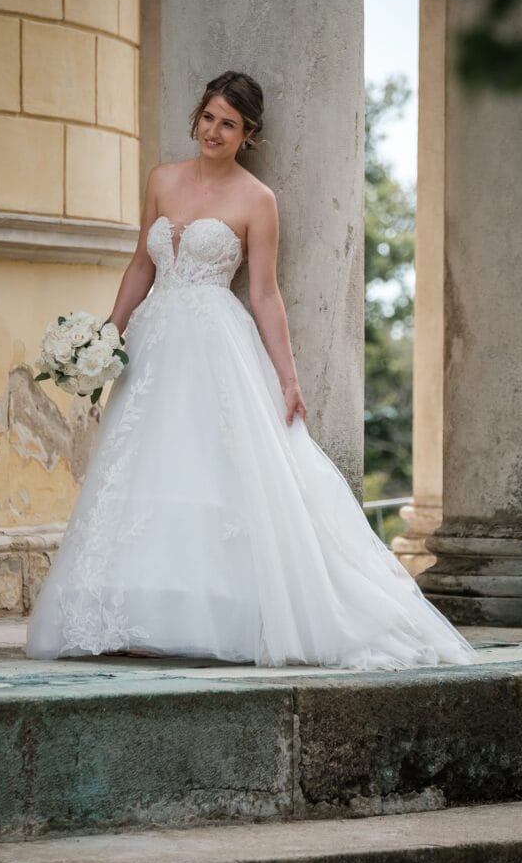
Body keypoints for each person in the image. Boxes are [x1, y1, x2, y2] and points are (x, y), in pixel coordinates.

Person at [26, 70, 476, 671]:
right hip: (156, 342)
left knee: (209, 470)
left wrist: (288, 378)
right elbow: (141, 265)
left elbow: (264, 294)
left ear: (249, 134)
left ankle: (215, 616)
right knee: (139, 470)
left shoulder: (256, 200)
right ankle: (132, 614)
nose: (214, 131)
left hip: (215, 343)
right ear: (198, 117)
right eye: (208, 117)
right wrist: (109, 335)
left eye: (228, 124)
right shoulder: (162, 179)